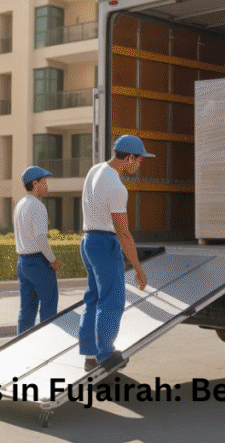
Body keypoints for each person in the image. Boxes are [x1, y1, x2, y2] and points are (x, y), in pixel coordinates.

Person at [79, 134, 153, 372]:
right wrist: (139, 269)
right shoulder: (116, 187)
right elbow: (123, 234)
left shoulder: (96, 170)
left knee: (94, 298)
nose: (139, 165)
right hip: (104, 243)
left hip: (88, 240)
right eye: (139, 160)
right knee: (112, 300)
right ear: (130, 157)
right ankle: (105, 355)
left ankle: (90, 354)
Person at [14, 166, 63, 335]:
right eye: (44, 181)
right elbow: (41, 238)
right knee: (49, 306)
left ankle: (20, 345)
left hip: (23, 263)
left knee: (27, 309)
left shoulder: (21, 204)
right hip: (38, 262)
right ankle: (47, 343)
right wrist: (53, 260)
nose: (47, 184)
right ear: (35, 183)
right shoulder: (38, 206)